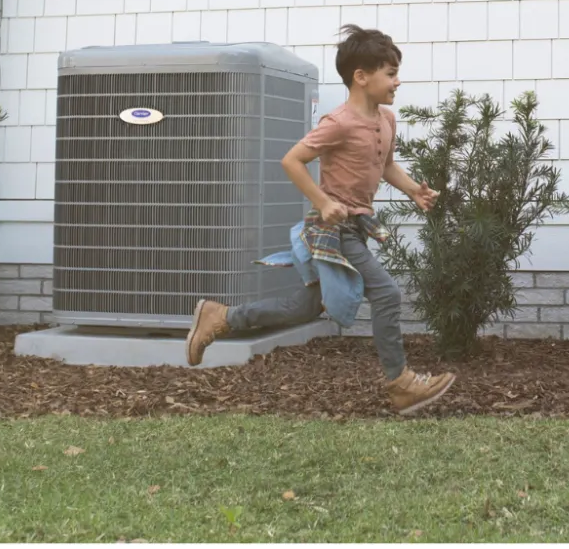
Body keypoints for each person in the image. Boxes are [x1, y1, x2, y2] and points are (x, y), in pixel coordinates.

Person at [184, 25, 455, 415]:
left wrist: (414, 190)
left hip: (355, 228)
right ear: (361, 77)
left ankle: (222, 317)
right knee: (386, 293)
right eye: (391, 73)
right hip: (332, 229)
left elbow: (386, 165)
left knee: (308, 307)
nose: (398, 80)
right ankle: (400, 383)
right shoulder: (338, 122)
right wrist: (324, 201)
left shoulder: (386, 119)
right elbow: (292, 160)